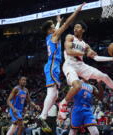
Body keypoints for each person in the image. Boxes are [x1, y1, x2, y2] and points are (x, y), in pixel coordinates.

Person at [59, 21, 113, 119]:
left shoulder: (85, 45)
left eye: (78, 27)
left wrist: (112, 58)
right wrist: (86, 54)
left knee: (104, 76)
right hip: (69, 64)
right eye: (75, 27)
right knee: (77, 86)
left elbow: (96, 58)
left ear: (83, 30)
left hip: (80, 65)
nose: (75, 29)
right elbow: (69, 51)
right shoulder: (70, 37)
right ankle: (63, 104)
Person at [39, 3, 86, 132]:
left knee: (55, 95)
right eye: (53, 27)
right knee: (52, 93)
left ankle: (43, 115)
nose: (55, 28)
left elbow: (58, 29)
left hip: (53, 65)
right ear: (50, 30)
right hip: (52, 65)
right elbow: (65, 26)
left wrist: (58, 22)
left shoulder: (51, 36)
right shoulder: (54, 35)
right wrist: (76, 12)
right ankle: (42, 116)